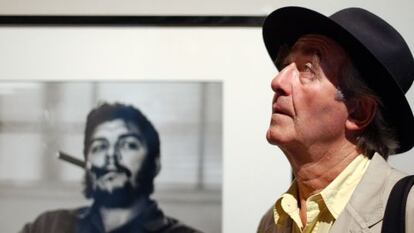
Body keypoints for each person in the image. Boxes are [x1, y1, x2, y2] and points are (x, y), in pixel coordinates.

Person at [257, 6, 414, 233]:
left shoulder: (408, 212)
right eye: (285, 66)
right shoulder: (272, 223)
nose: (278, 81)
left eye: (307, 69)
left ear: (358, 112)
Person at [20, 102, 202, 233]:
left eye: (128, 145)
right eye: (100, 147)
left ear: (155, 165)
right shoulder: (47, 227)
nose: (110, 156)